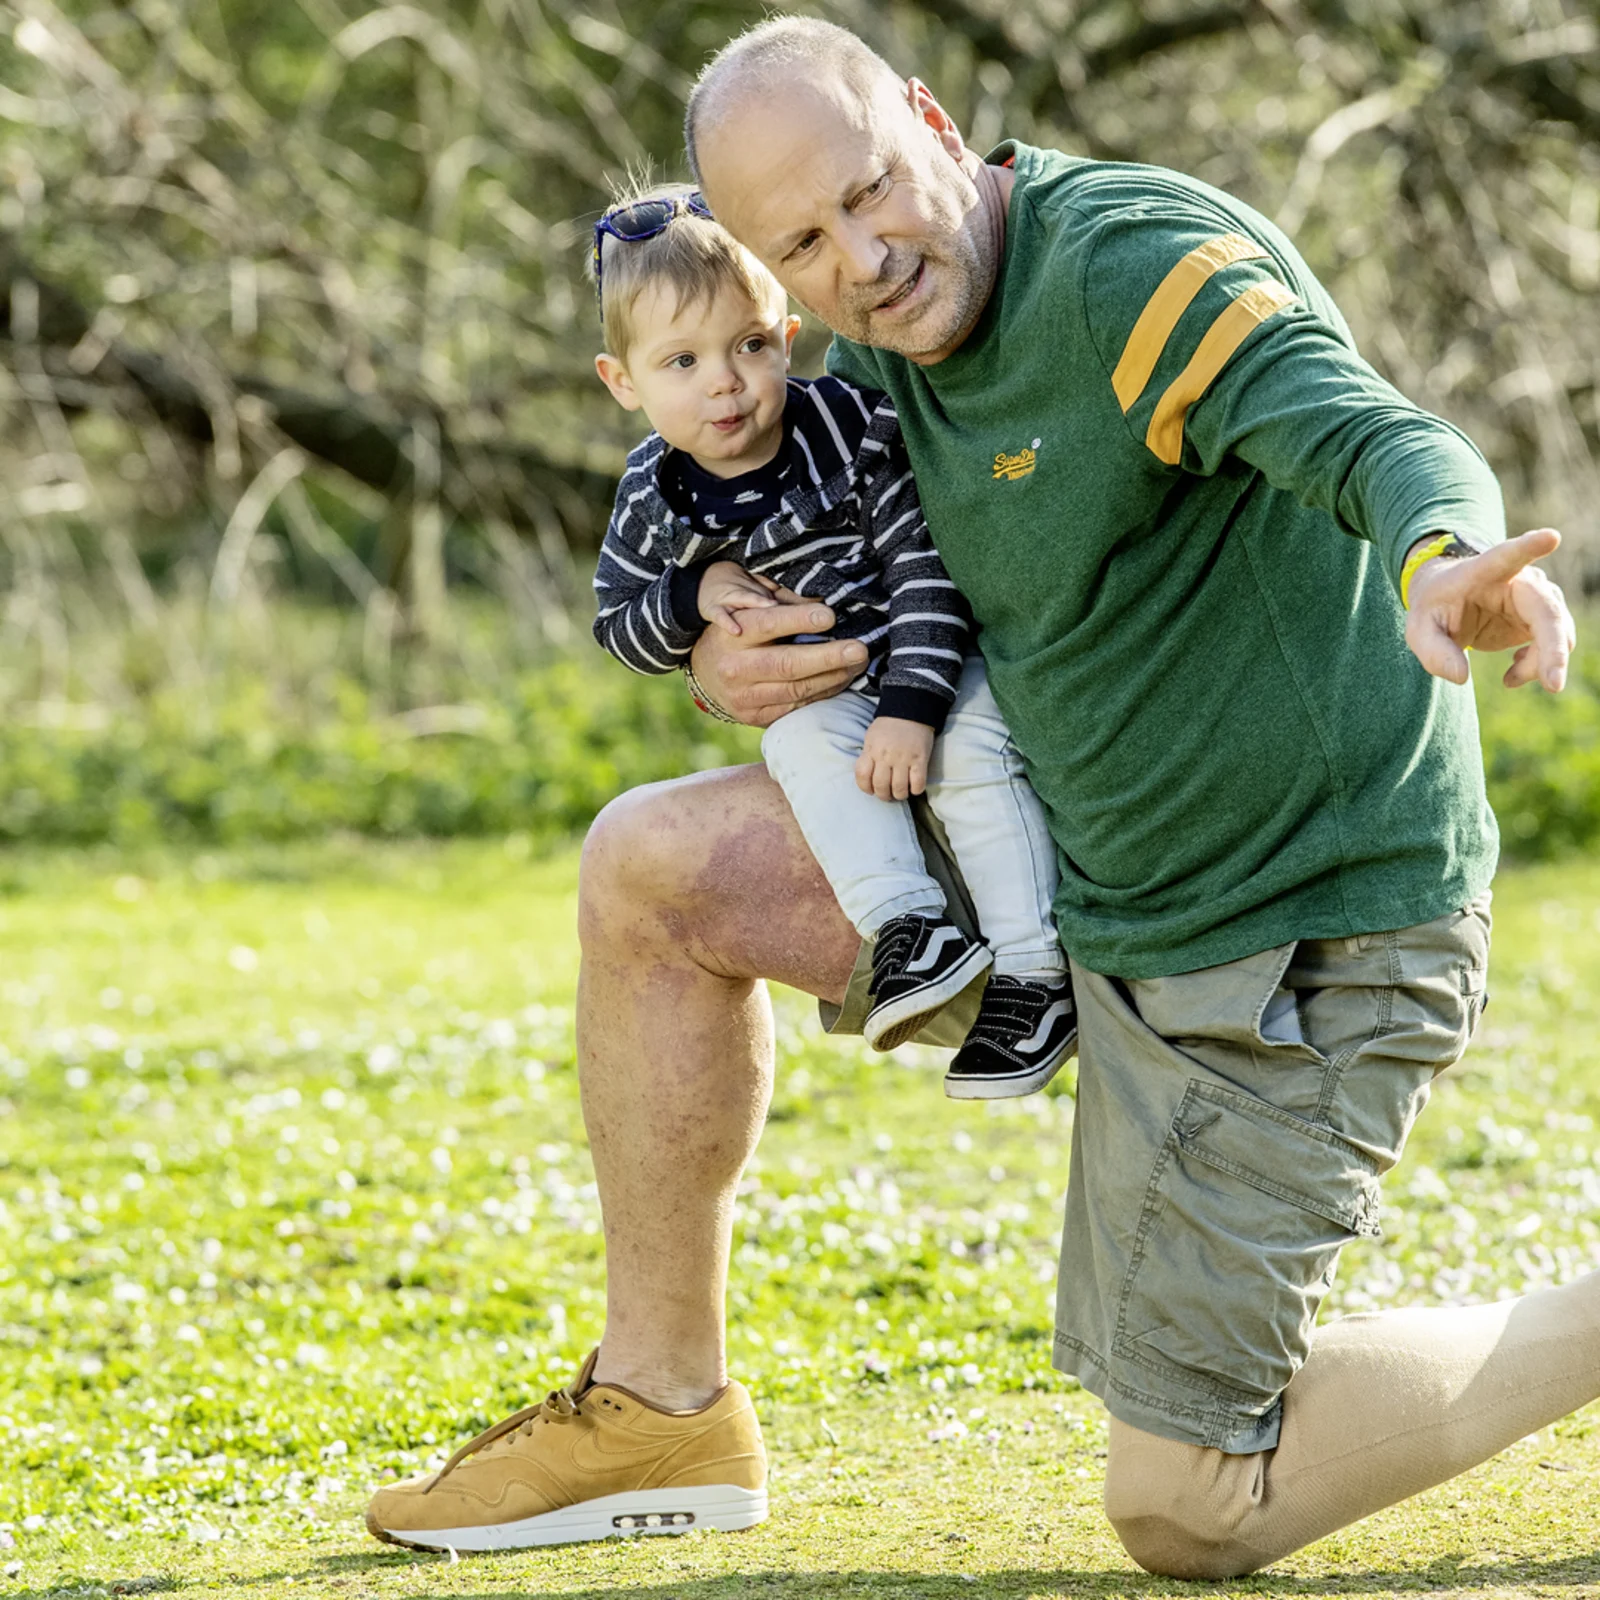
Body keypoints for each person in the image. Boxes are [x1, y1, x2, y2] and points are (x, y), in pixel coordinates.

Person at [367, 17, 1592, 1576]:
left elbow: (1368, 430)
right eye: (800, 246)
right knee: (653, 867)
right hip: (1072, 856)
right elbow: (779, 538)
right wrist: (719, 648)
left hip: (1300, 921)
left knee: (1184, 1507)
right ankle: (662, 1410)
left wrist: (1439, 558)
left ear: (936, 123)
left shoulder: (1128, 269)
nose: (862, 260)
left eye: (873, 192)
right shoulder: (857, 347)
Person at [586, 181, 1075, 1097]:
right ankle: (908, 930)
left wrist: (912, 708)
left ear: (789, 334)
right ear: (624, 382)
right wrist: (692, 596)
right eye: (680, 362)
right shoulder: (652, 495)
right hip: (831, 702)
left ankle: (1032, 975)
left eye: (749, 347)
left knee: (973, 750)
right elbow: (619, 626)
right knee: (799, 740)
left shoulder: (847, 428)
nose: (724, 382)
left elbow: (923, 566)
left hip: (935, 664)